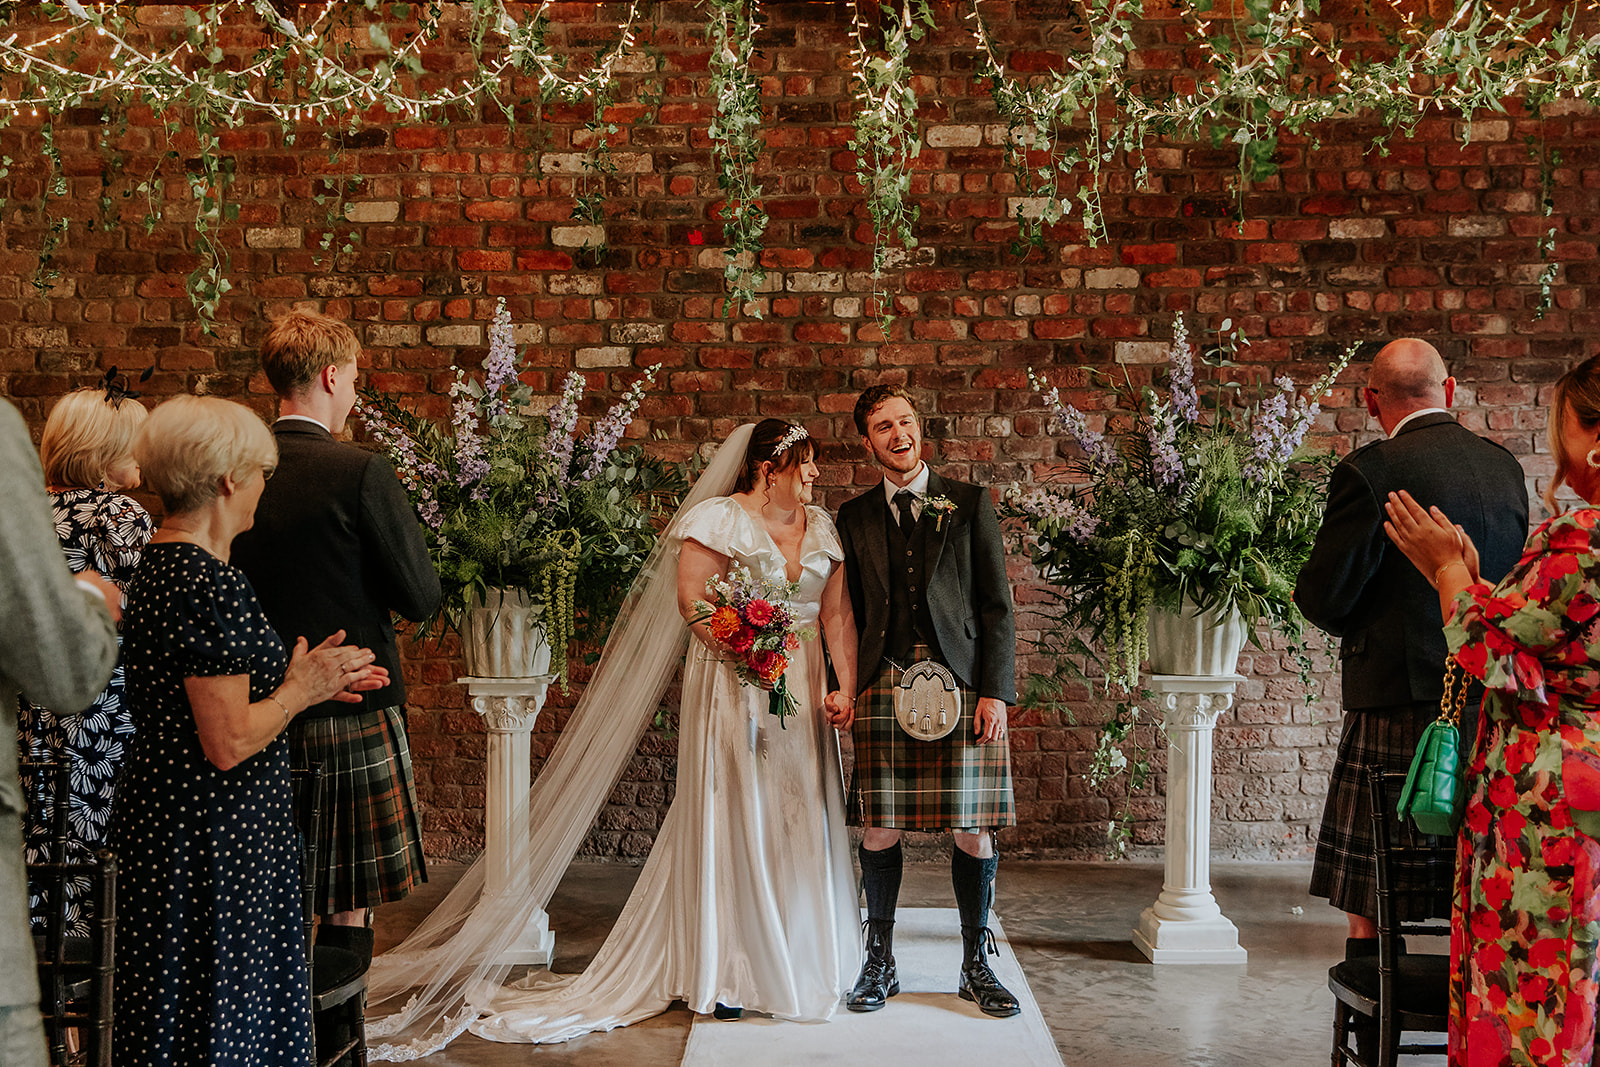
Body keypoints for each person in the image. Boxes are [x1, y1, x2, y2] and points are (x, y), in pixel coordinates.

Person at [363, 420, 859, 1057]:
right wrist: (750, 651)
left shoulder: (822, 528)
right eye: (806, 464)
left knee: (799, 814)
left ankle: (804, 949)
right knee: (737, 811)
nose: (815, 475)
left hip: (806, 683)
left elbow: (837, 613)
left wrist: (840, 684)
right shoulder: (716, 519)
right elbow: (693, 604)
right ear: (770, 467)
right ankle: (731, 964)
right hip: (738, 685)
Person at [111, 395, 388, 1067]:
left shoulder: (162, 566)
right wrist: (300, 689)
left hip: (177, 824)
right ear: (227, 478)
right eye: (260, 471)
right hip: (212, 838)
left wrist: (300, 678)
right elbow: (227, 740)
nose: (266, 485)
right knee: (219, 1017)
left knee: (180, 1011)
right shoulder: (208, 583)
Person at [1382, 353, 1600, 1066]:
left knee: (1526, 996)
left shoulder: (1582, 543)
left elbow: (1497, 659)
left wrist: (1446, 571)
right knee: (1574, 982)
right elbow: (1538, 636)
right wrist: (1475, 579)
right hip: (1584, 790)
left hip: (1544, 808)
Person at [1296, 338, 1527, 957]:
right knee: (1476, 850)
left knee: (1375, 875)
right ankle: (1469, 984)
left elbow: (1322, 598)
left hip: (1397, 699)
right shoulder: (1503, 466)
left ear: (1372, 402)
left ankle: (1376, 985)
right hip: (1492, 695)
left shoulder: (1369, 471)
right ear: (1448, 391)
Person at [231, 309, 440, 965]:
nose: (354, 391)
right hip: (352, 707)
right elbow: (421, 594)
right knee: (349, 895)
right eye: (352, 377)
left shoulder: (233, 471)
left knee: (270, 890)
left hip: (252, 709)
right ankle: (337, 1039)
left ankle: (277, 1029)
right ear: (329, 374)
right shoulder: (359, 471)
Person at [830, 384, 1020, 1018]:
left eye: (905, 421)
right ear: (867, 441)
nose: (897, 433)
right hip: (884, 683)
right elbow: (845, 612)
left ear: (921, 427)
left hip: (963, 686)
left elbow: (997, 606)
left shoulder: (967, 504)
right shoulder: (853, 516)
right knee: (879, 823)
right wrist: (847, 684)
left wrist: (994, 691)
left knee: (972, 827)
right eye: (882, 426)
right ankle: (879, 961)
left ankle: (975, 964)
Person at [0, 396, 120, 1067]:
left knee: (52, 869)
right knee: (96, 873)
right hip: (99, 727)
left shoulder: (42, 507)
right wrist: (88, 597)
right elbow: (61, 659)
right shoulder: (119, 518)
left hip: (35, 736)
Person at [18, 382, 152, 934]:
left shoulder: (25, 516)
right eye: (136, 441)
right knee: (99, 860)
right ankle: (97, 999)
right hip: (103, 718)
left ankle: (52, 1001)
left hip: (29, 716)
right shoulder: (118, 518)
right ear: (101, 455)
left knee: (40, 849)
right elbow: (145, 625)